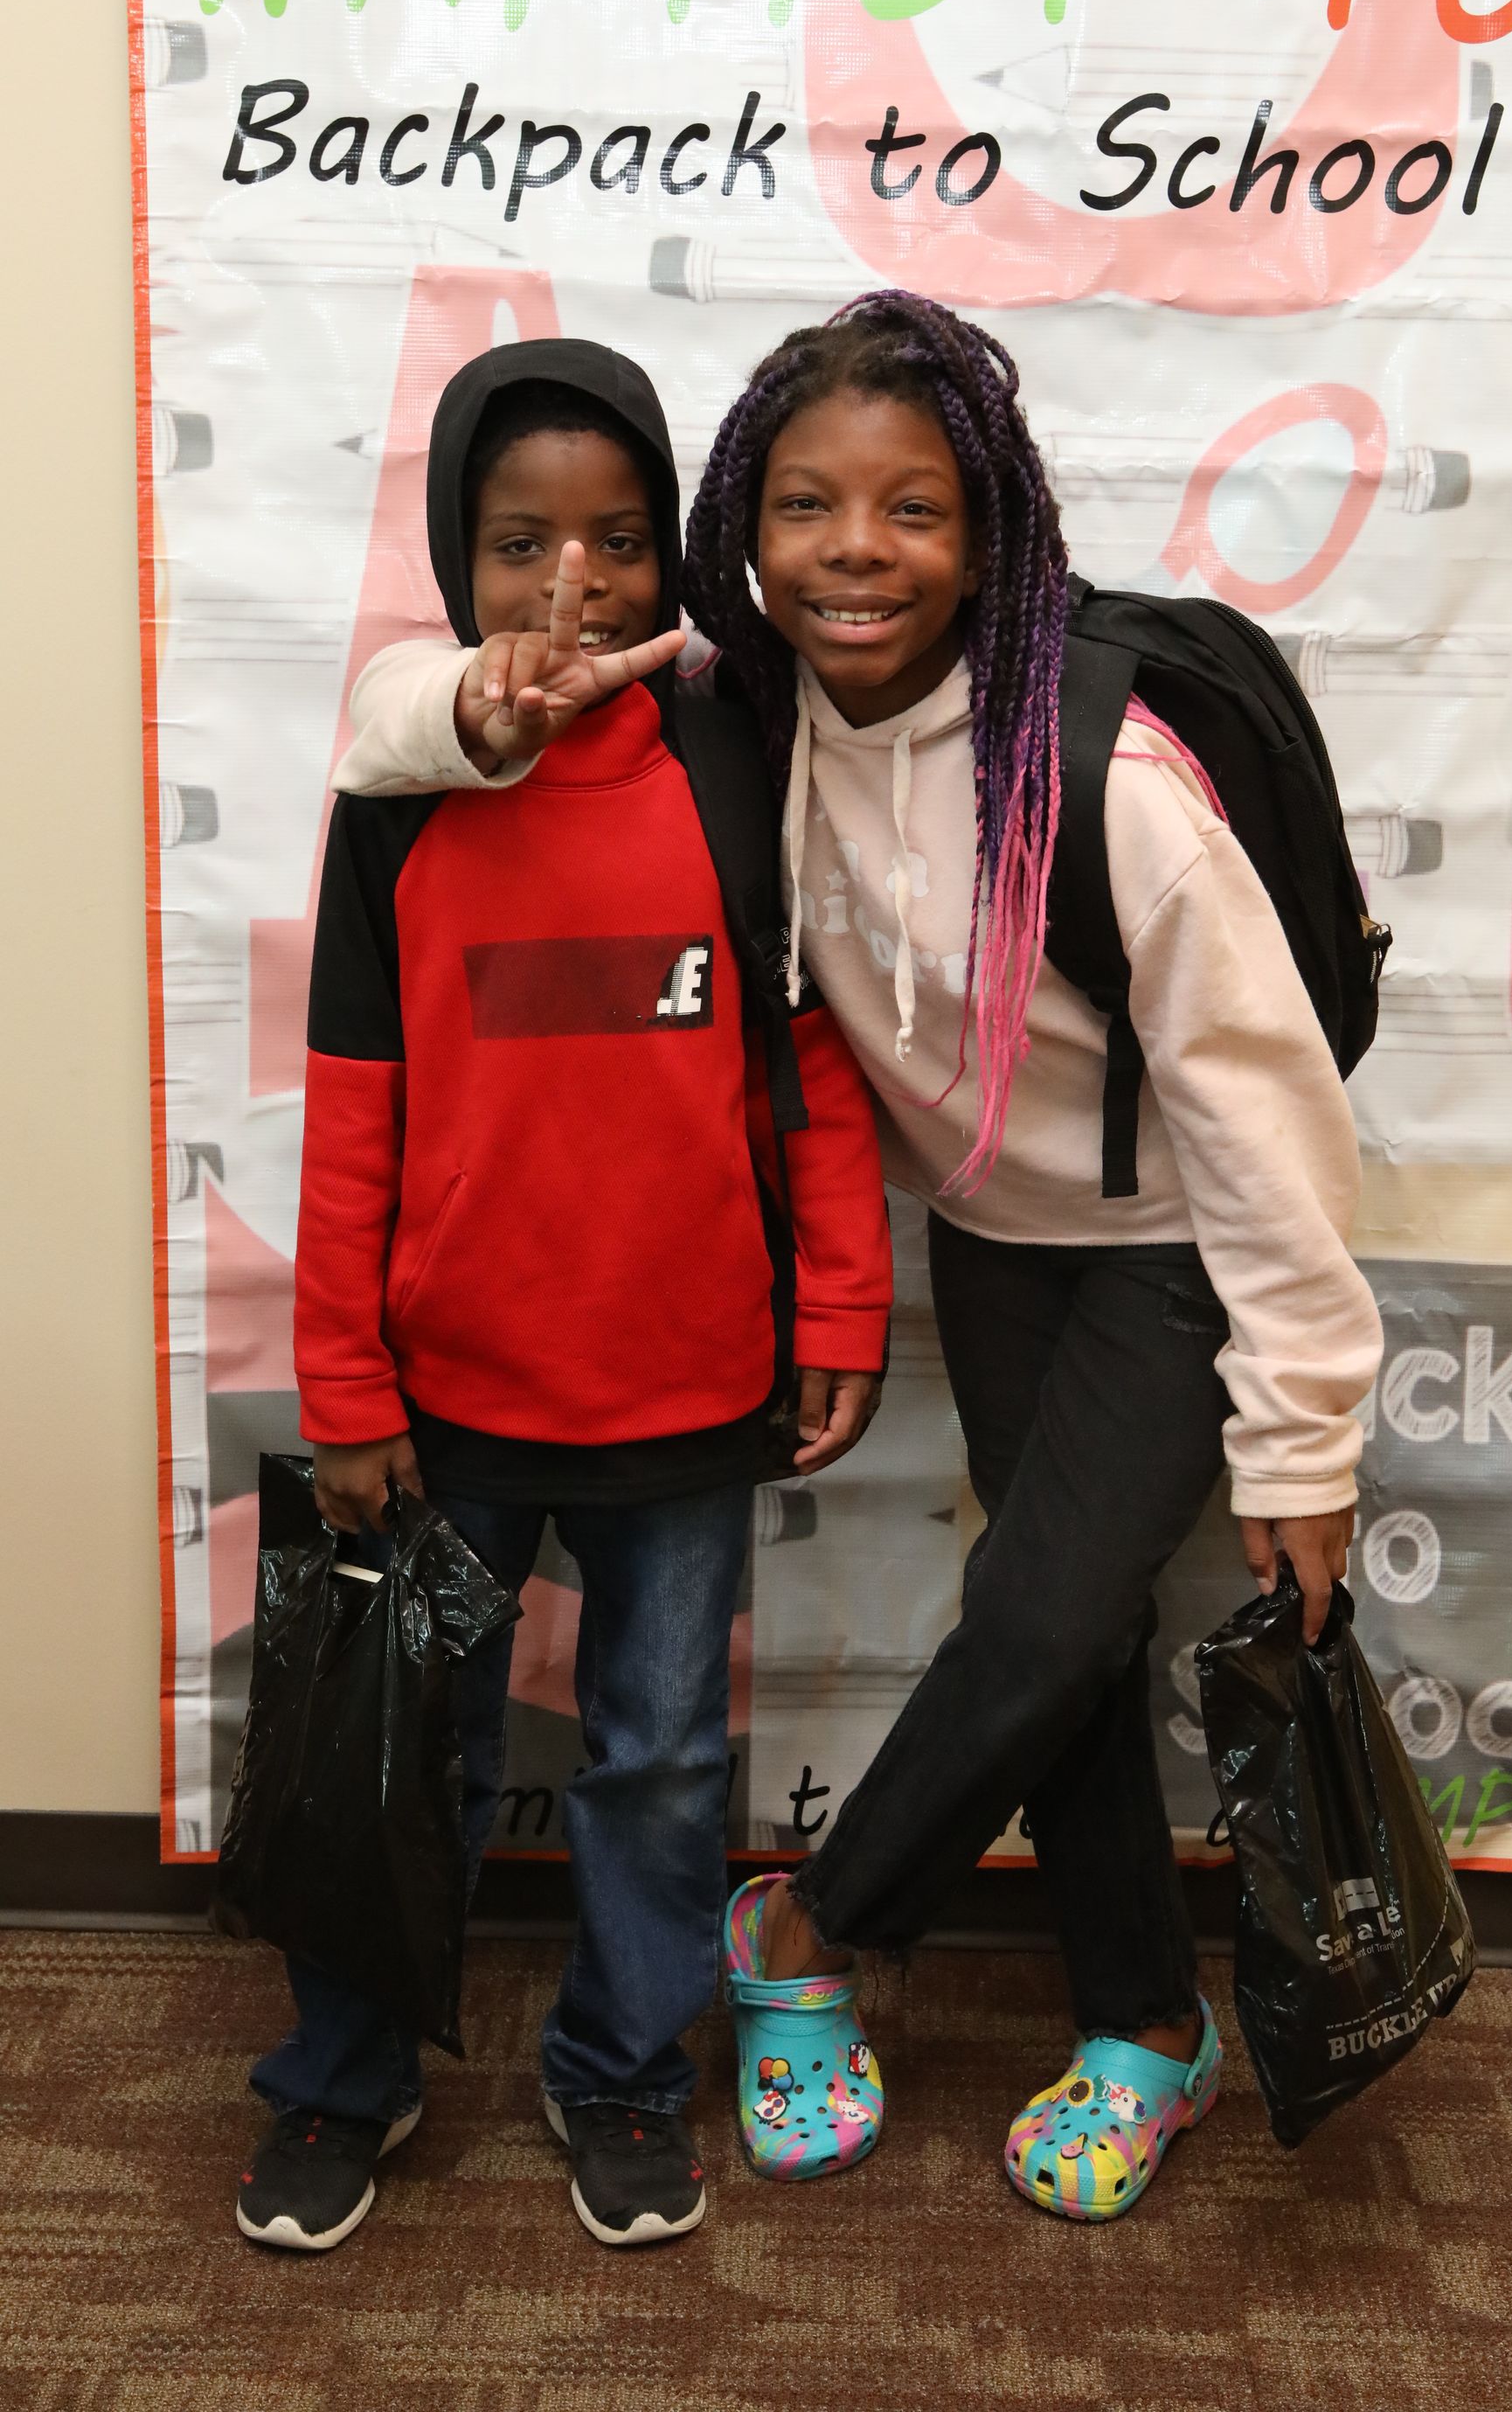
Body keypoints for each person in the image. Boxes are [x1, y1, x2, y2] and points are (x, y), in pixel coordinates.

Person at [333, 294, 1384, 2224]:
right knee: (1065, 1662)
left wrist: (1306, 1431)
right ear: (745, 528)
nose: (857, 551)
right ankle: (1148, 2026)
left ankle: (807, 1926)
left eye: (913, 510)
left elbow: (1268, 1113)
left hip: (1173, 1241)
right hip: (995, 1236)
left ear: (989, 532)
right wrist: (474, 703)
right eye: (808, 505)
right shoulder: (748, 705)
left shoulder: (1109, 774)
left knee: (1050, 1626)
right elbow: (402, 729)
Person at [239, 338, 892, 2256]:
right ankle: (343, 2082)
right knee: (404, 1762)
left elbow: (811, 1064)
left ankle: (616, 2075)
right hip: (445, 1398)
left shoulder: (724, 753)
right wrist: (343, 1384)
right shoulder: (399, 786)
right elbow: (355, 1106)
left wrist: (840, 1308)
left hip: (689, 1388)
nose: (573, 590)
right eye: (523, 544)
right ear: (461, 557)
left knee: (664, 1753)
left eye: (618, 544)